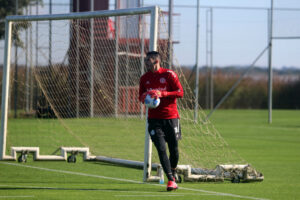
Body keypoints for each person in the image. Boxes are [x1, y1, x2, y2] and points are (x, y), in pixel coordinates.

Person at [139, 51, 184, 191]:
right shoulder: (144, 78)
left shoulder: (169, 75)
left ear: (156, 61)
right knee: (161, 148)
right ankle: (171, 180)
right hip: (154, 120)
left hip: (171, 118)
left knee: (174, 150)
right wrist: (146, 97)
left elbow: (180, 92)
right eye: (145, 60)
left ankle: (173, 170)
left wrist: (163, 94)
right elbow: (140, 96)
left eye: (148, 60)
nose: (146, 62)